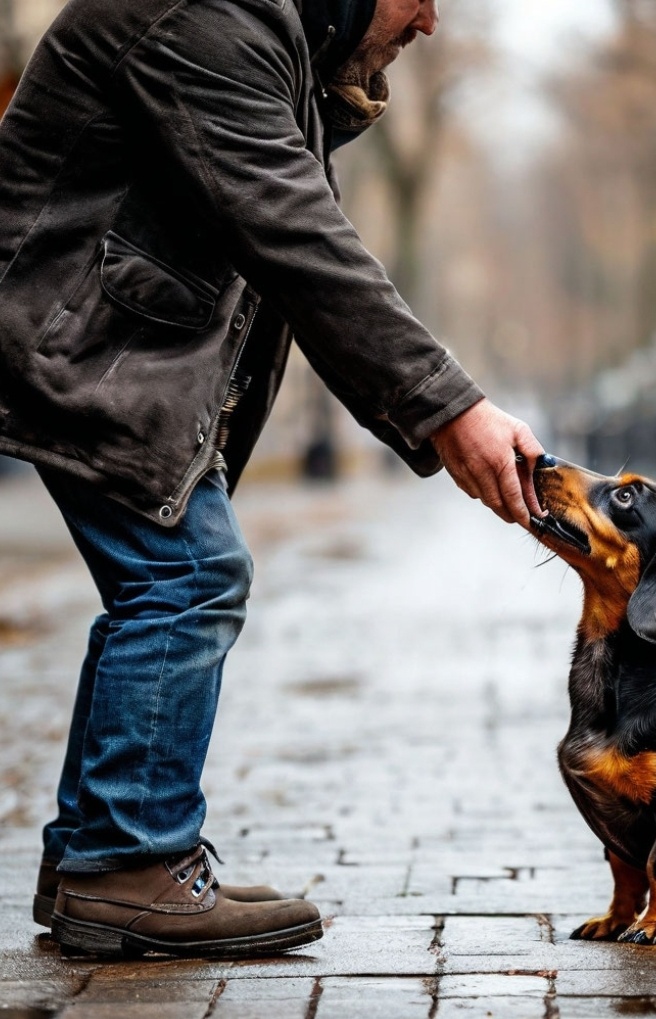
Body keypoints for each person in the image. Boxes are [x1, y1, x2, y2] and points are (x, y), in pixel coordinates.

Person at [0, 0, 545, 959]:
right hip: (68, 336)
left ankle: (102, 853)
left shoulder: (263, 33)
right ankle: (126, 862)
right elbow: (299, 241)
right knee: (185, 577)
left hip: (97, 339)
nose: (429, 21)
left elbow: (288, 230)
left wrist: (330, 83)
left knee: (158, 580)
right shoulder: (207, 13)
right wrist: (452, 406)